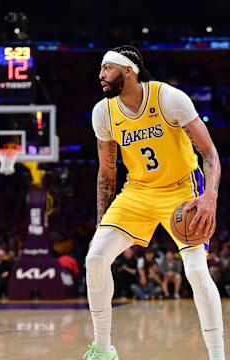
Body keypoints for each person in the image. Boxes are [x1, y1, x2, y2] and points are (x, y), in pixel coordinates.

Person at [84, 45, 224, 360]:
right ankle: (104, 351)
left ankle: (217, 356)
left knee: (196, 271)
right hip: (137, 192)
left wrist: (210, 197)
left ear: (128, 71)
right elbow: (107, 172)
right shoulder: (103, 112)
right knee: (95, 259)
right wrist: (101, 224)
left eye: (107, 69)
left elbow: (210, 153)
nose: (101, 75)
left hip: (182, 190)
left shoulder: (169, 99)